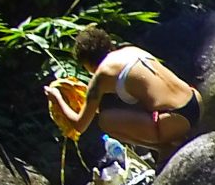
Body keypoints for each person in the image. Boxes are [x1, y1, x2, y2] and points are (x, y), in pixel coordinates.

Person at [45, 26, 202, 156]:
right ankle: (173, 138)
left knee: (105, 121)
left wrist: (57, 97)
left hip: (176, 118)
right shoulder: (131, 50)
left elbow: (80, 125)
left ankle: (164, 149)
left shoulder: (101, 75)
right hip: (196, 100)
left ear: (87, 63)